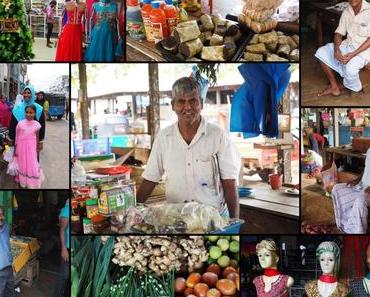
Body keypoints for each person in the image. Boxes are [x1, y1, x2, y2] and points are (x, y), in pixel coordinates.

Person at [137, 77, 241, 218]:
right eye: (181, 101)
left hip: (213, 218)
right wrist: (133, 210)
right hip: (176, 218)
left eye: (193, 101)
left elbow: (229, 183)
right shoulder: (164, 138)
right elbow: (150, 178)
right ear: (173, 105)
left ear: (201, 103)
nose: (187, 107)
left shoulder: (218, 135)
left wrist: (234, 222)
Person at [315, 0, 370, 97]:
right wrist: (337, 49)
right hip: (348, 45)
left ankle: (346, 85)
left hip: (365, 50)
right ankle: (334, 86)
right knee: (321, 52)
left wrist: (353, 54)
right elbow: (339, 33)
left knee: (350, 69)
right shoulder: (347, 11)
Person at [332, 148, 370, 234]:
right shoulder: (369, 150)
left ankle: (358, 231)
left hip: (369, 191)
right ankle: (346, 226)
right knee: (337, 189)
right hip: (362, 185)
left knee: (361, 200)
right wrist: (357, 180)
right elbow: (367, 169)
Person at [14, 105, 44, 189]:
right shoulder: (20, 123)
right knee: (22, 164)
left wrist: (37, 147)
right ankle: (23, 182)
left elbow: (37, 137)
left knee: (32, 165)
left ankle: (32, 183)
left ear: (35, 113)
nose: (28, 114)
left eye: (31, 112)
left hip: (31, 148)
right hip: (21, 148)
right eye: (27, 112)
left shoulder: (37, 124)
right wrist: (15, 150)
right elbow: (17, 136)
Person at [9, 85, 45, 153]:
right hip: (20, 141)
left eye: (29, 93)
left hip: (33, 142)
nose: (26, 95)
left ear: (33, 94)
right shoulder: (17, 108)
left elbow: (42, 126)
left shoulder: (39, 108)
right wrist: (11, 138)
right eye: (25, 93)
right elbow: (13, 125)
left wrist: (40, 141)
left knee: (32, 160)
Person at [53, 199, 70, 297]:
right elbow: (62, 230)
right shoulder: (66, 210)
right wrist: (63, 249)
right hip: (67, 248)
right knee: (64, 275)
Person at [0, 206, 14, 297]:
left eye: (2, 214)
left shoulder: (6, 227)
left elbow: (7, 246)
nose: (1, 217)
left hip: (8, 268)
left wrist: (11, 262)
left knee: (10, 292)